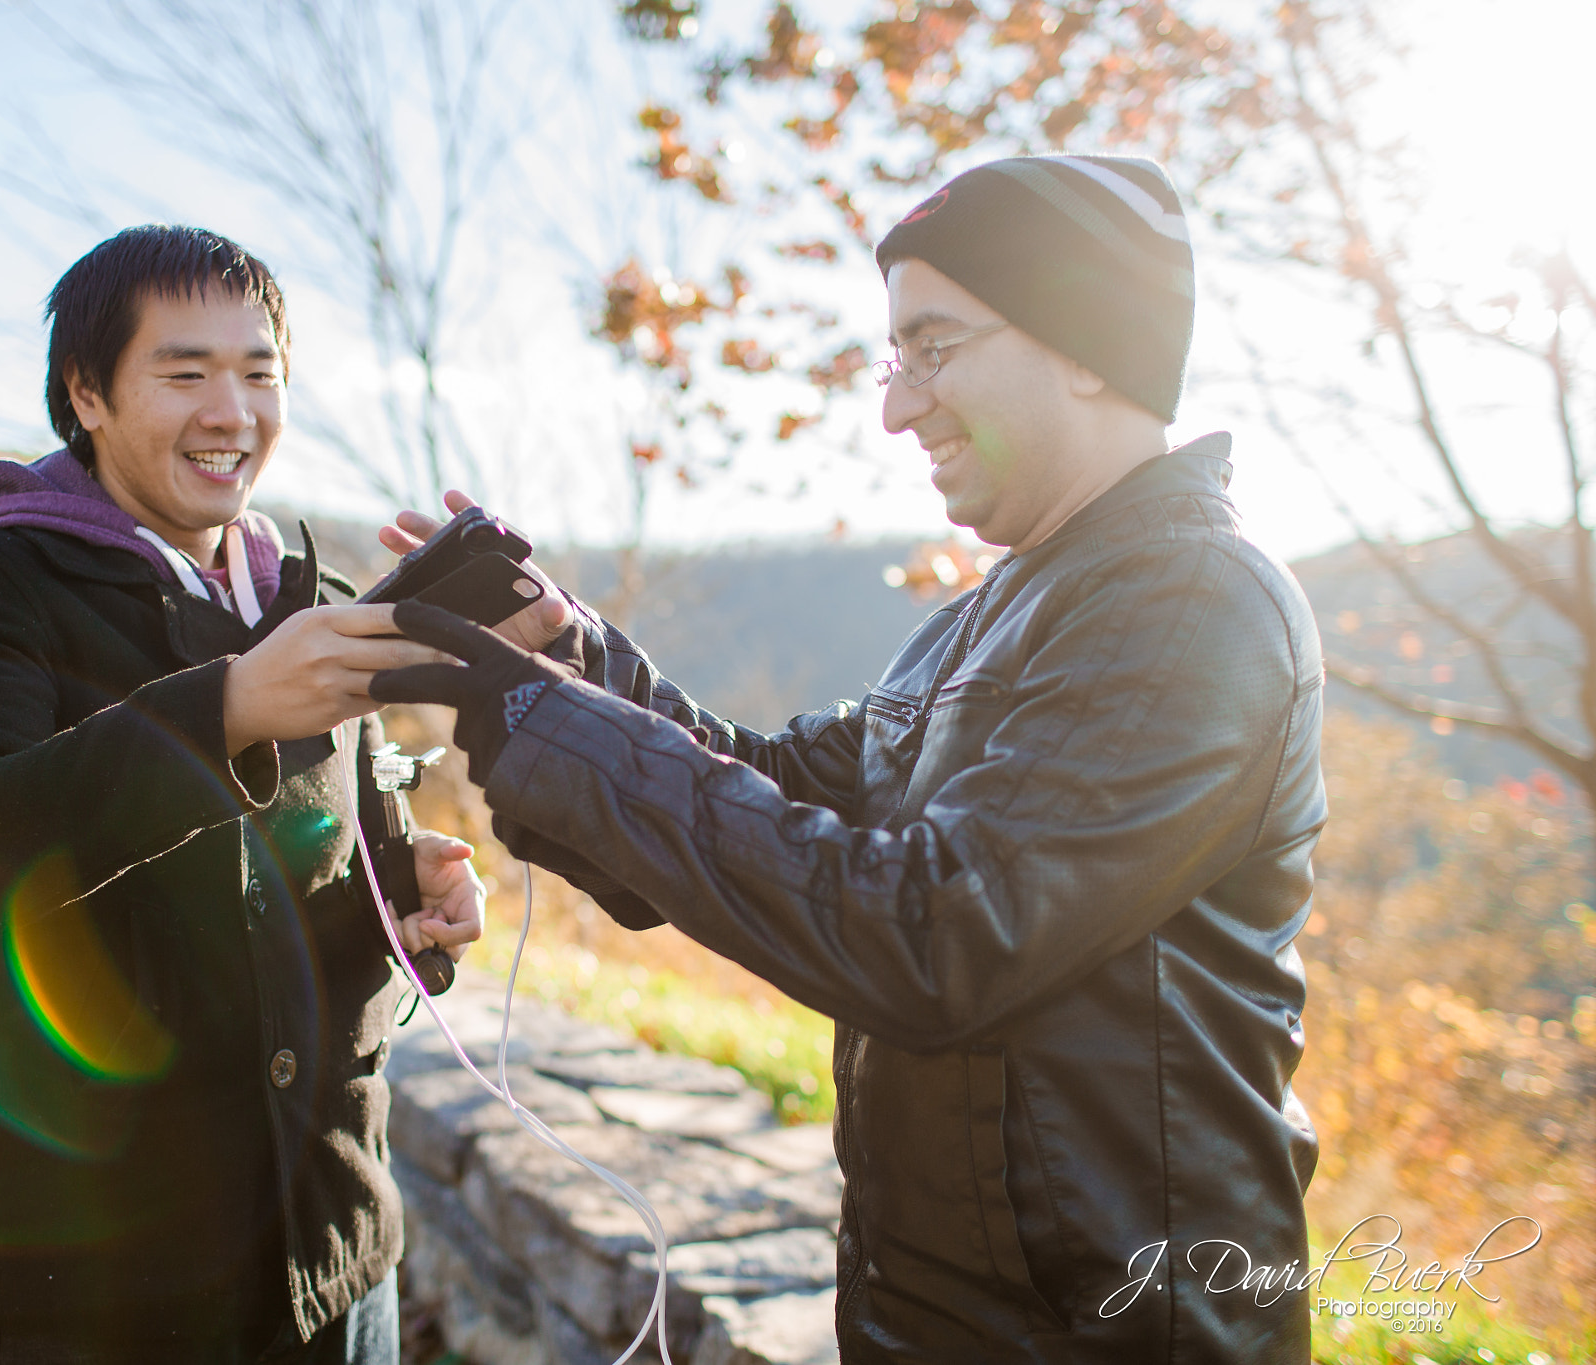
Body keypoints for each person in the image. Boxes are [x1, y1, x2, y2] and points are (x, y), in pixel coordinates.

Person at [372, 156, 1325, 1362]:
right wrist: (571, 656)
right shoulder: (989, 614)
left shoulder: (1190, 604)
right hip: (932, 1317)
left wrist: (549, 723)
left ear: (1088, 345)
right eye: (895, 359)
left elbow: (935, 932)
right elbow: (767, 781)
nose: (895, 405)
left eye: (933, 348)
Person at [0, 225, 483, 1365]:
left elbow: (328, 874)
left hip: (340, 1253)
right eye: (184, 371)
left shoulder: (317, 598)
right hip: (106, 1281)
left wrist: (410, 902)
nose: (231, 411)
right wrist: (222, 713)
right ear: (86, 394)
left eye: (259, 373)